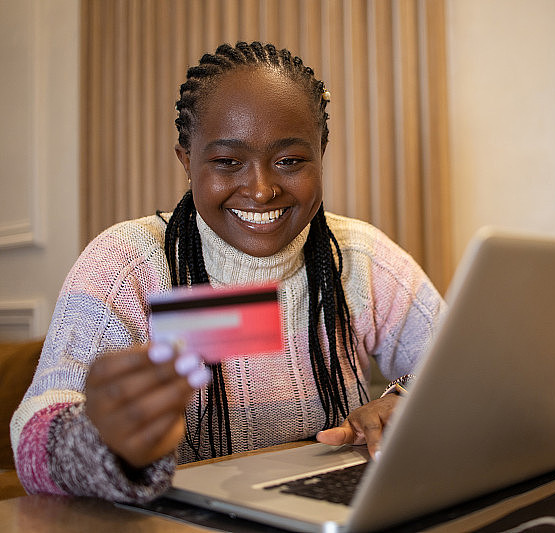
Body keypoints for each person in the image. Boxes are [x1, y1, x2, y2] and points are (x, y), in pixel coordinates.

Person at [11, 41, 444, 503]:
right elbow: (33, 438)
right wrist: (101, 441)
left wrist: (405, 401)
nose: (260, 190)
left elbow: (463, 372)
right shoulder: (128, 263)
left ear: (322, 151)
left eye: (290, 161)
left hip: (327, 508)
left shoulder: (360, 256)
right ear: (186, 160)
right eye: (225, 162)